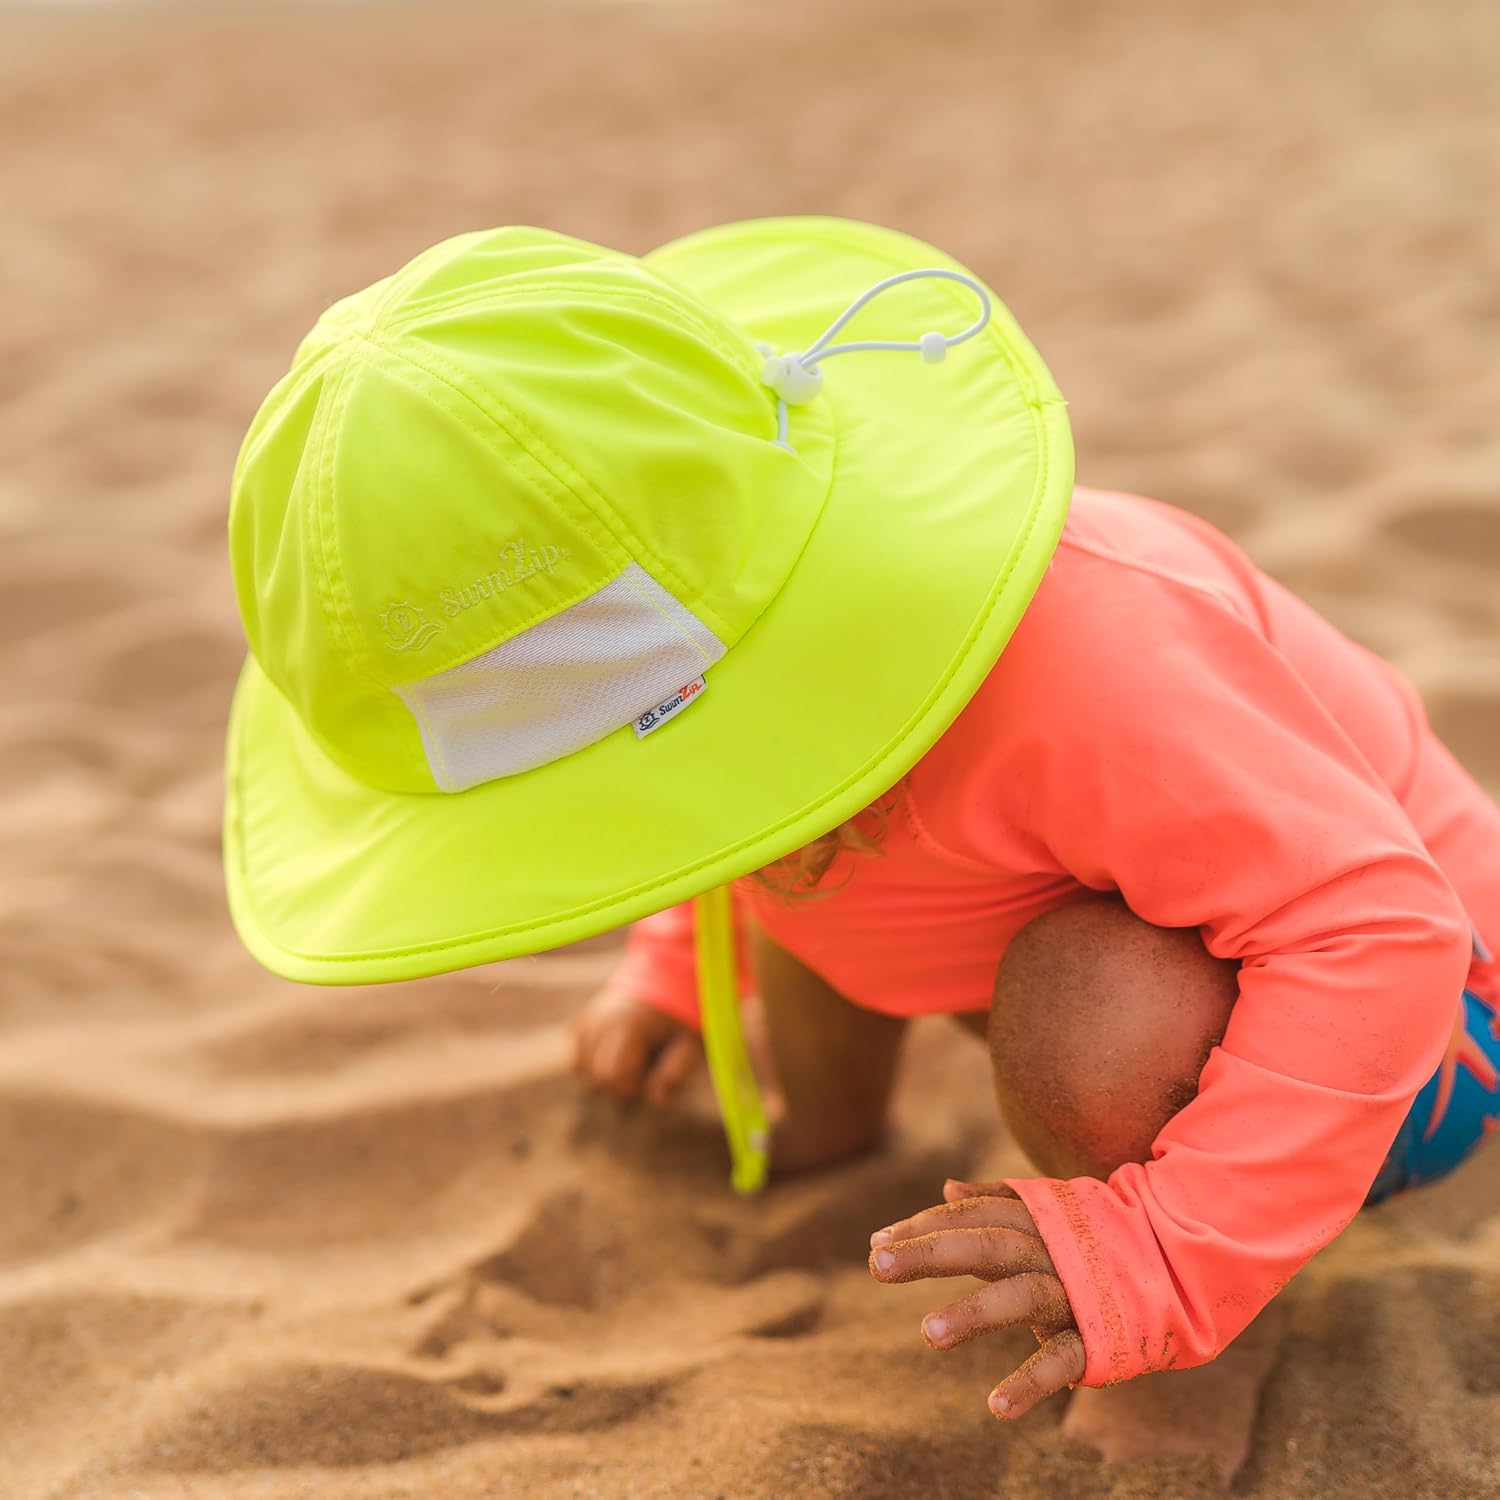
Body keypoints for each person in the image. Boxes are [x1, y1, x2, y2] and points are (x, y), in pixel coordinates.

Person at [222, 215, 1500, 1486]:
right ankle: (832, 1140)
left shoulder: (1087, 657)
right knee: (796, 859)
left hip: (1415, 1032)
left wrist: (1169, 1251)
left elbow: (1377, 932)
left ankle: (1193, 1327)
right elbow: (682, 791)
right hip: (1059, 909)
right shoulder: (724, 668)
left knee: (1089, 1011)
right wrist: (673, 967)